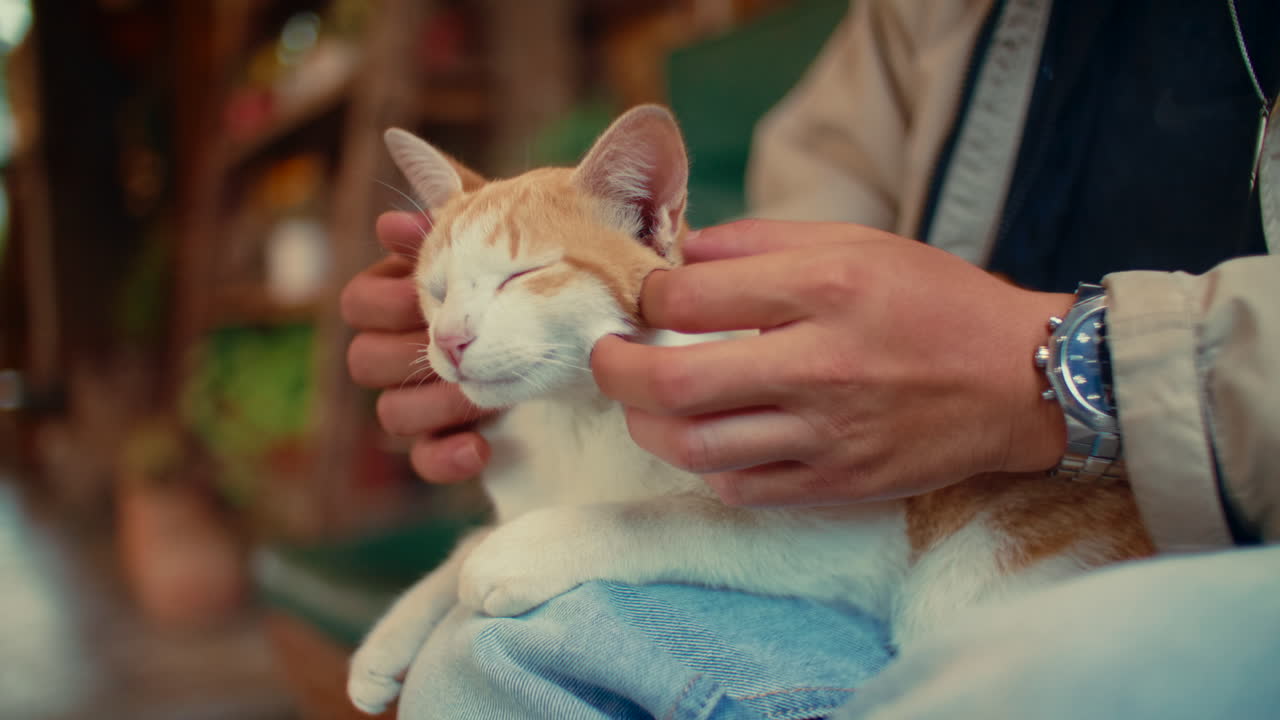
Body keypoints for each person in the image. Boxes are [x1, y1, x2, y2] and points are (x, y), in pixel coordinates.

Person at [342, 1, 1280, 717]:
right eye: (439, 292)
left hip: (1164, 546)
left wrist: (1064, 370)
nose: (451, 326)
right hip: (875, 559)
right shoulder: (912, 20)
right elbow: (803, 252)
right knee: (496, 650)